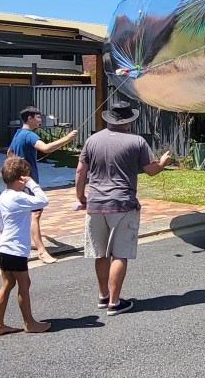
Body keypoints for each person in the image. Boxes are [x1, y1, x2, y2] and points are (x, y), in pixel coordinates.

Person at [75, 99, 171, 316]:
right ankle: (114, 302)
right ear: (129, 120)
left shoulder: (92, 140)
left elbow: (81, 170)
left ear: (110, 118)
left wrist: (80, 196)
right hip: (123, 203)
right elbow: (151, 170)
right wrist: (163, 162)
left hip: (96, 203)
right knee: (119, 253)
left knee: (101, 254)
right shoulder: (137, 141)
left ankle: (103, 296)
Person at [8, 106, 79, 264]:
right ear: (30, 118)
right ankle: (42, 251)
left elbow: (9, 153)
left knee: (27, 214)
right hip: (29, 181)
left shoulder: (18, 134)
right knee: (36, 214)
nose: (40, 120)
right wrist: (68, 138)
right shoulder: (29, 135)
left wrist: (17, 166)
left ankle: (29, 242)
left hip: (19, 181)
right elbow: (46, 148)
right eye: (38, 117)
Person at [0, 156, 51, 337]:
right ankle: (29, 323)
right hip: (15, 250)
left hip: (3, 248)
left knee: (8, 283)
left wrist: (5, 231)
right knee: (24, 284)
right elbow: (43, 200)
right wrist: (32, 183)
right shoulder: (19, 197)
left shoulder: (4, 196)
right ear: (21, 178)